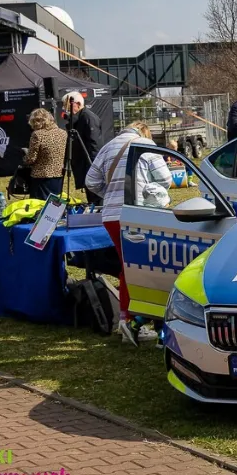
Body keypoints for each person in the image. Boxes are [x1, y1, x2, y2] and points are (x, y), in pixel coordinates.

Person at [85, 122, 173, 347]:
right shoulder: (146, 145)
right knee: (142, 269)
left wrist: (110, 194)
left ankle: (127, 320)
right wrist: (151, 191)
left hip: (111, 215)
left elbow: (91, 181)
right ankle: (133, 321)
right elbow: (165, 179)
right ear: (144, 131)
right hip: (138, 213)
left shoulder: (108, 147)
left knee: (127, 267)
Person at [61, 91, 102, 204]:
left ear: (78, 104)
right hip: (82, 163)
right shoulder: (78, 119)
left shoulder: (88, 118)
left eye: (67, 106)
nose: (65, 109)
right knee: (90, 195)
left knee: (95, 196)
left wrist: (94, 167)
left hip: (90, 164)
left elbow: (94, 144)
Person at [24, 108, 67, 201]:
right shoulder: (63, 133)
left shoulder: (37, 134)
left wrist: (25, 158)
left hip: (41, 176)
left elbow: (31, 158)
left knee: (39, 205)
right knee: (55, 204)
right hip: (58, 174)